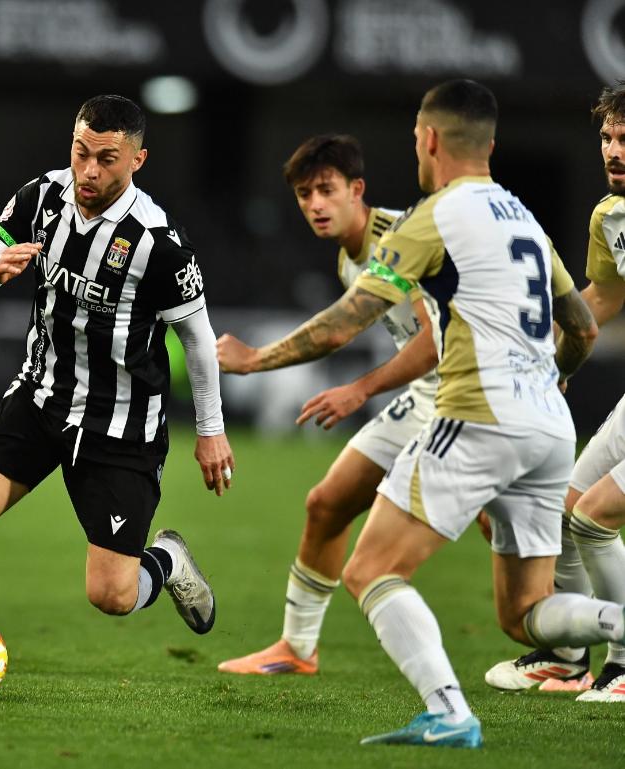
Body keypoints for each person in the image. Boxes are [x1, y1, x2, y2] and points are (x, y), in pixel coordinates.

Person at [216, 79, 619, 748]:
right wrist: (555, 378)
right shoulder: (522, 217)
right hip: (547, 424)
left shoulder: (429, 218)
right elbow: (579, 327)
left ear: (428, 140)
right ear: (487, 144)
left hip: (475, 412)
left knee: (369, 569)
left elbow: (345, 324)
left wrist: (253, 360)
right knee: (524, 613)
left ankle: (448, 713)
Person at [0, 95, 234, 691]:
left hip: (121, 424)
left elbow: (199, 339)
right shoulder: (41, 197)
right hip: (41, 395)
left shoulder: (158, 244)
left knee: (111, 595)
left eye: (107, 159)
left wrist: (210, 430)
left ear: (138, 160)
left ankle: (167, 562)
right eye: (81, 152)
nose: (89, 170)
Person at [217, 135, 438, 677]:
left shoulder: (398, 237)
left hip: (469, 397)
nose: (315, 203)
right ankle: (297, 647)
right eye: (303, 194)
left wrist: (259, 361)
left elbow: (436, 339)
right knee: (327, 504)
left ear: (356, 189)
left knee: (508, 535)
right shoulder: (349, 260)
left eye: (326, 190)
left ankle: (578, 653)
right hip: (427, 397)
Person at [487, 82, 625, 702]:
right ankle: (569, 658)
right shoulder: (610, 216)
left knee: (594, 518)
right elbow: (602, 300)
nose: (614, 151)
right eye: (607, 137)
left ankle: (623, 664)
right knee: (566, 514)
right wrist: (548, 351)